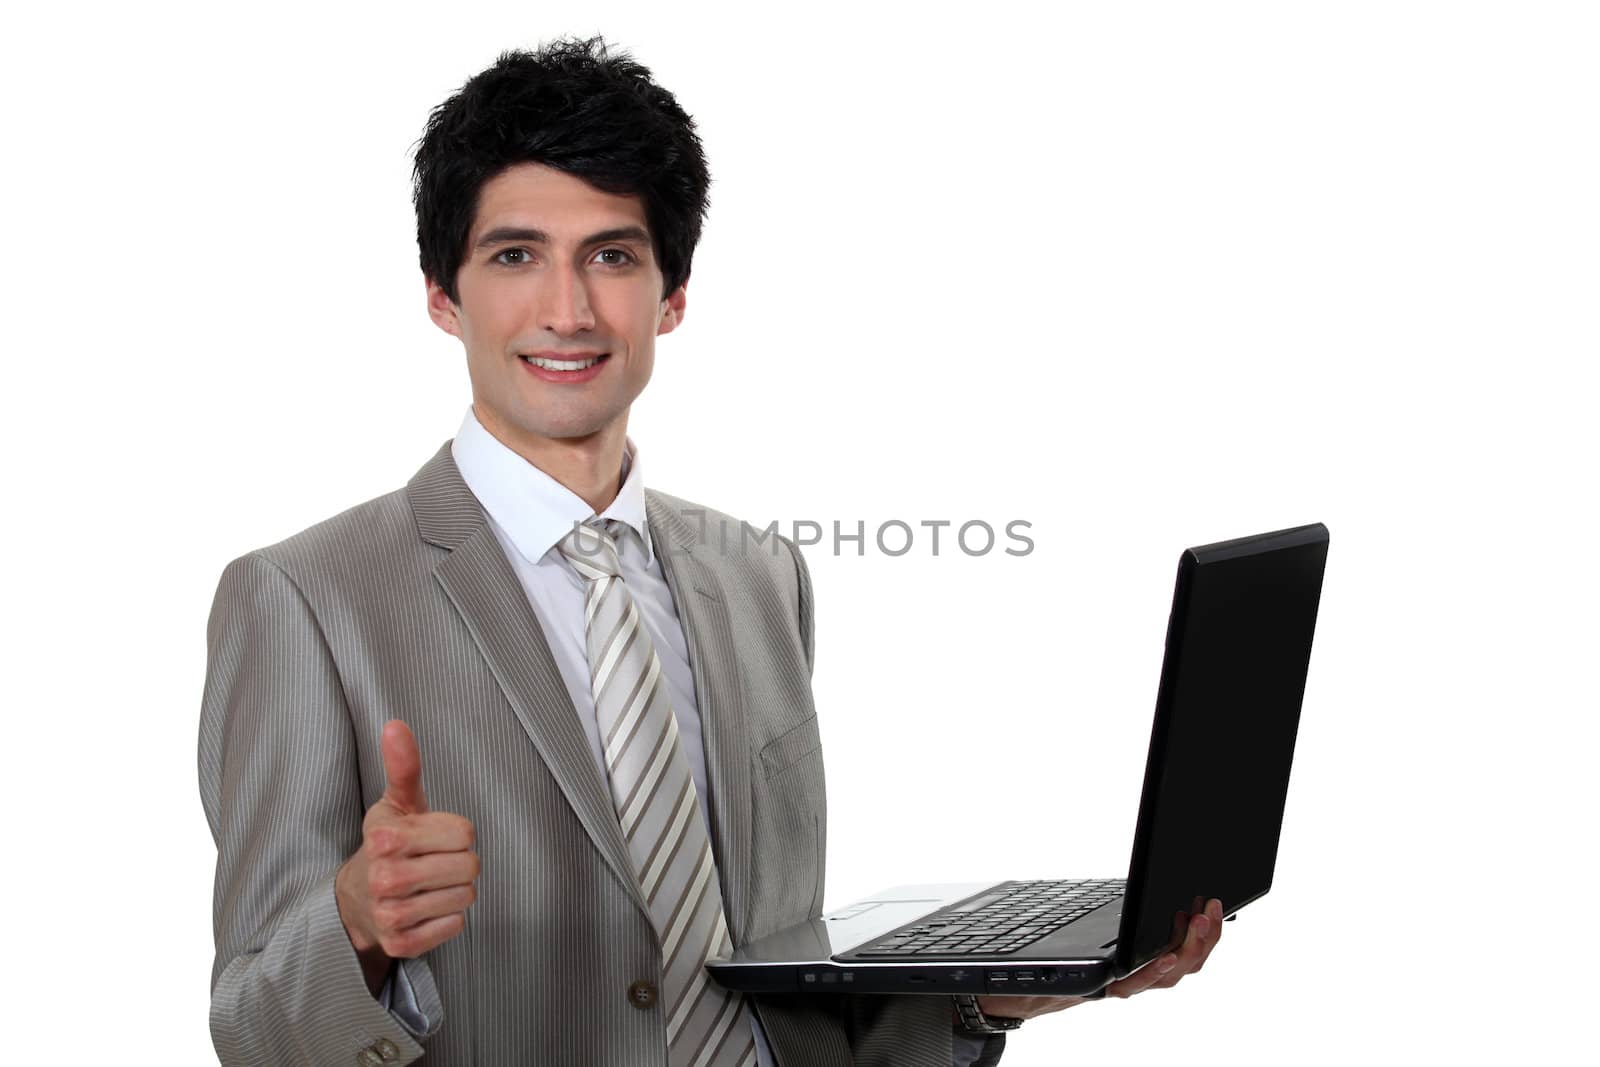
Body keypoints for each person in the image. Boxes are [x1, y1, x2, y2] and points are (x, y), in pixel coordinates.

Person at [197, 36, 1223, 1067]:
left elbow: (762, 991)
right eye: (515, 255)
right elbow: (252, 1021)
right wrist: (353, 924)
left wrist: (988, 996)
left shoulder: (760, 575)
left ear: (671, 296)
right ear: (442, 294)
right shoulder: (303, 596)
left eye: (612, 255)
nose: (568, 308)